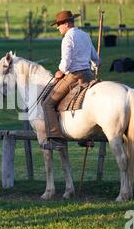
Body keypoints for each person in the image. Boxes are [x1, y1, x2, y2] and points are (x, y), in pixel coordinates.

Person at [41, 10, 101, 150]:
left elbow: (66, 62)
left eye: (59, 24)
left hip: (74, 76)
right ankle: (87, 137)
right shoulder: (85, 35)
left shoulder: (68, 38)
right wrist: (95, 65)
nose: (58, 27)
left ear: (67, 24)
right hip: (88, 75)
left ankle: (55, 138)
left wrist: (59, 72)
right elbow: (96, 59)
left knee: (47, 104)